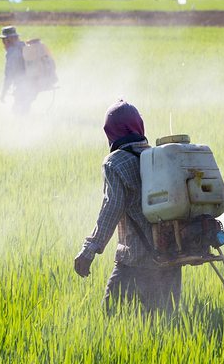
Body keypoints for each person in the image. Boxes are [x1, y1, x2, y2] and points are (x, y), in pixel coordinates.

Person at [73, 100, 182, 313]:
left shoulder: (115, 163)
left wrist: (90, 249)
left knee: (111, 319)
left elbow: (111, 209)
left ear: (111, 132)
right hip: (172, 253)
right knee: (165, 324)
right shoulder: (159, 157)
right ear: (138, 126)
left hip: (136, 259)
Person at [0, 26, 38, 115]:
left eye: (4, 40)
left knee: (17, 113)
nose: (3, 43)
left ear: (9, 39)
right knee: (24, 110)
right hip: (35, 85)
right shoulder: (24, 46)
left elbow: (8, 76)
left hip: (23, 88)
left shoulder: (12, 53)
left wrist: (3, 93)